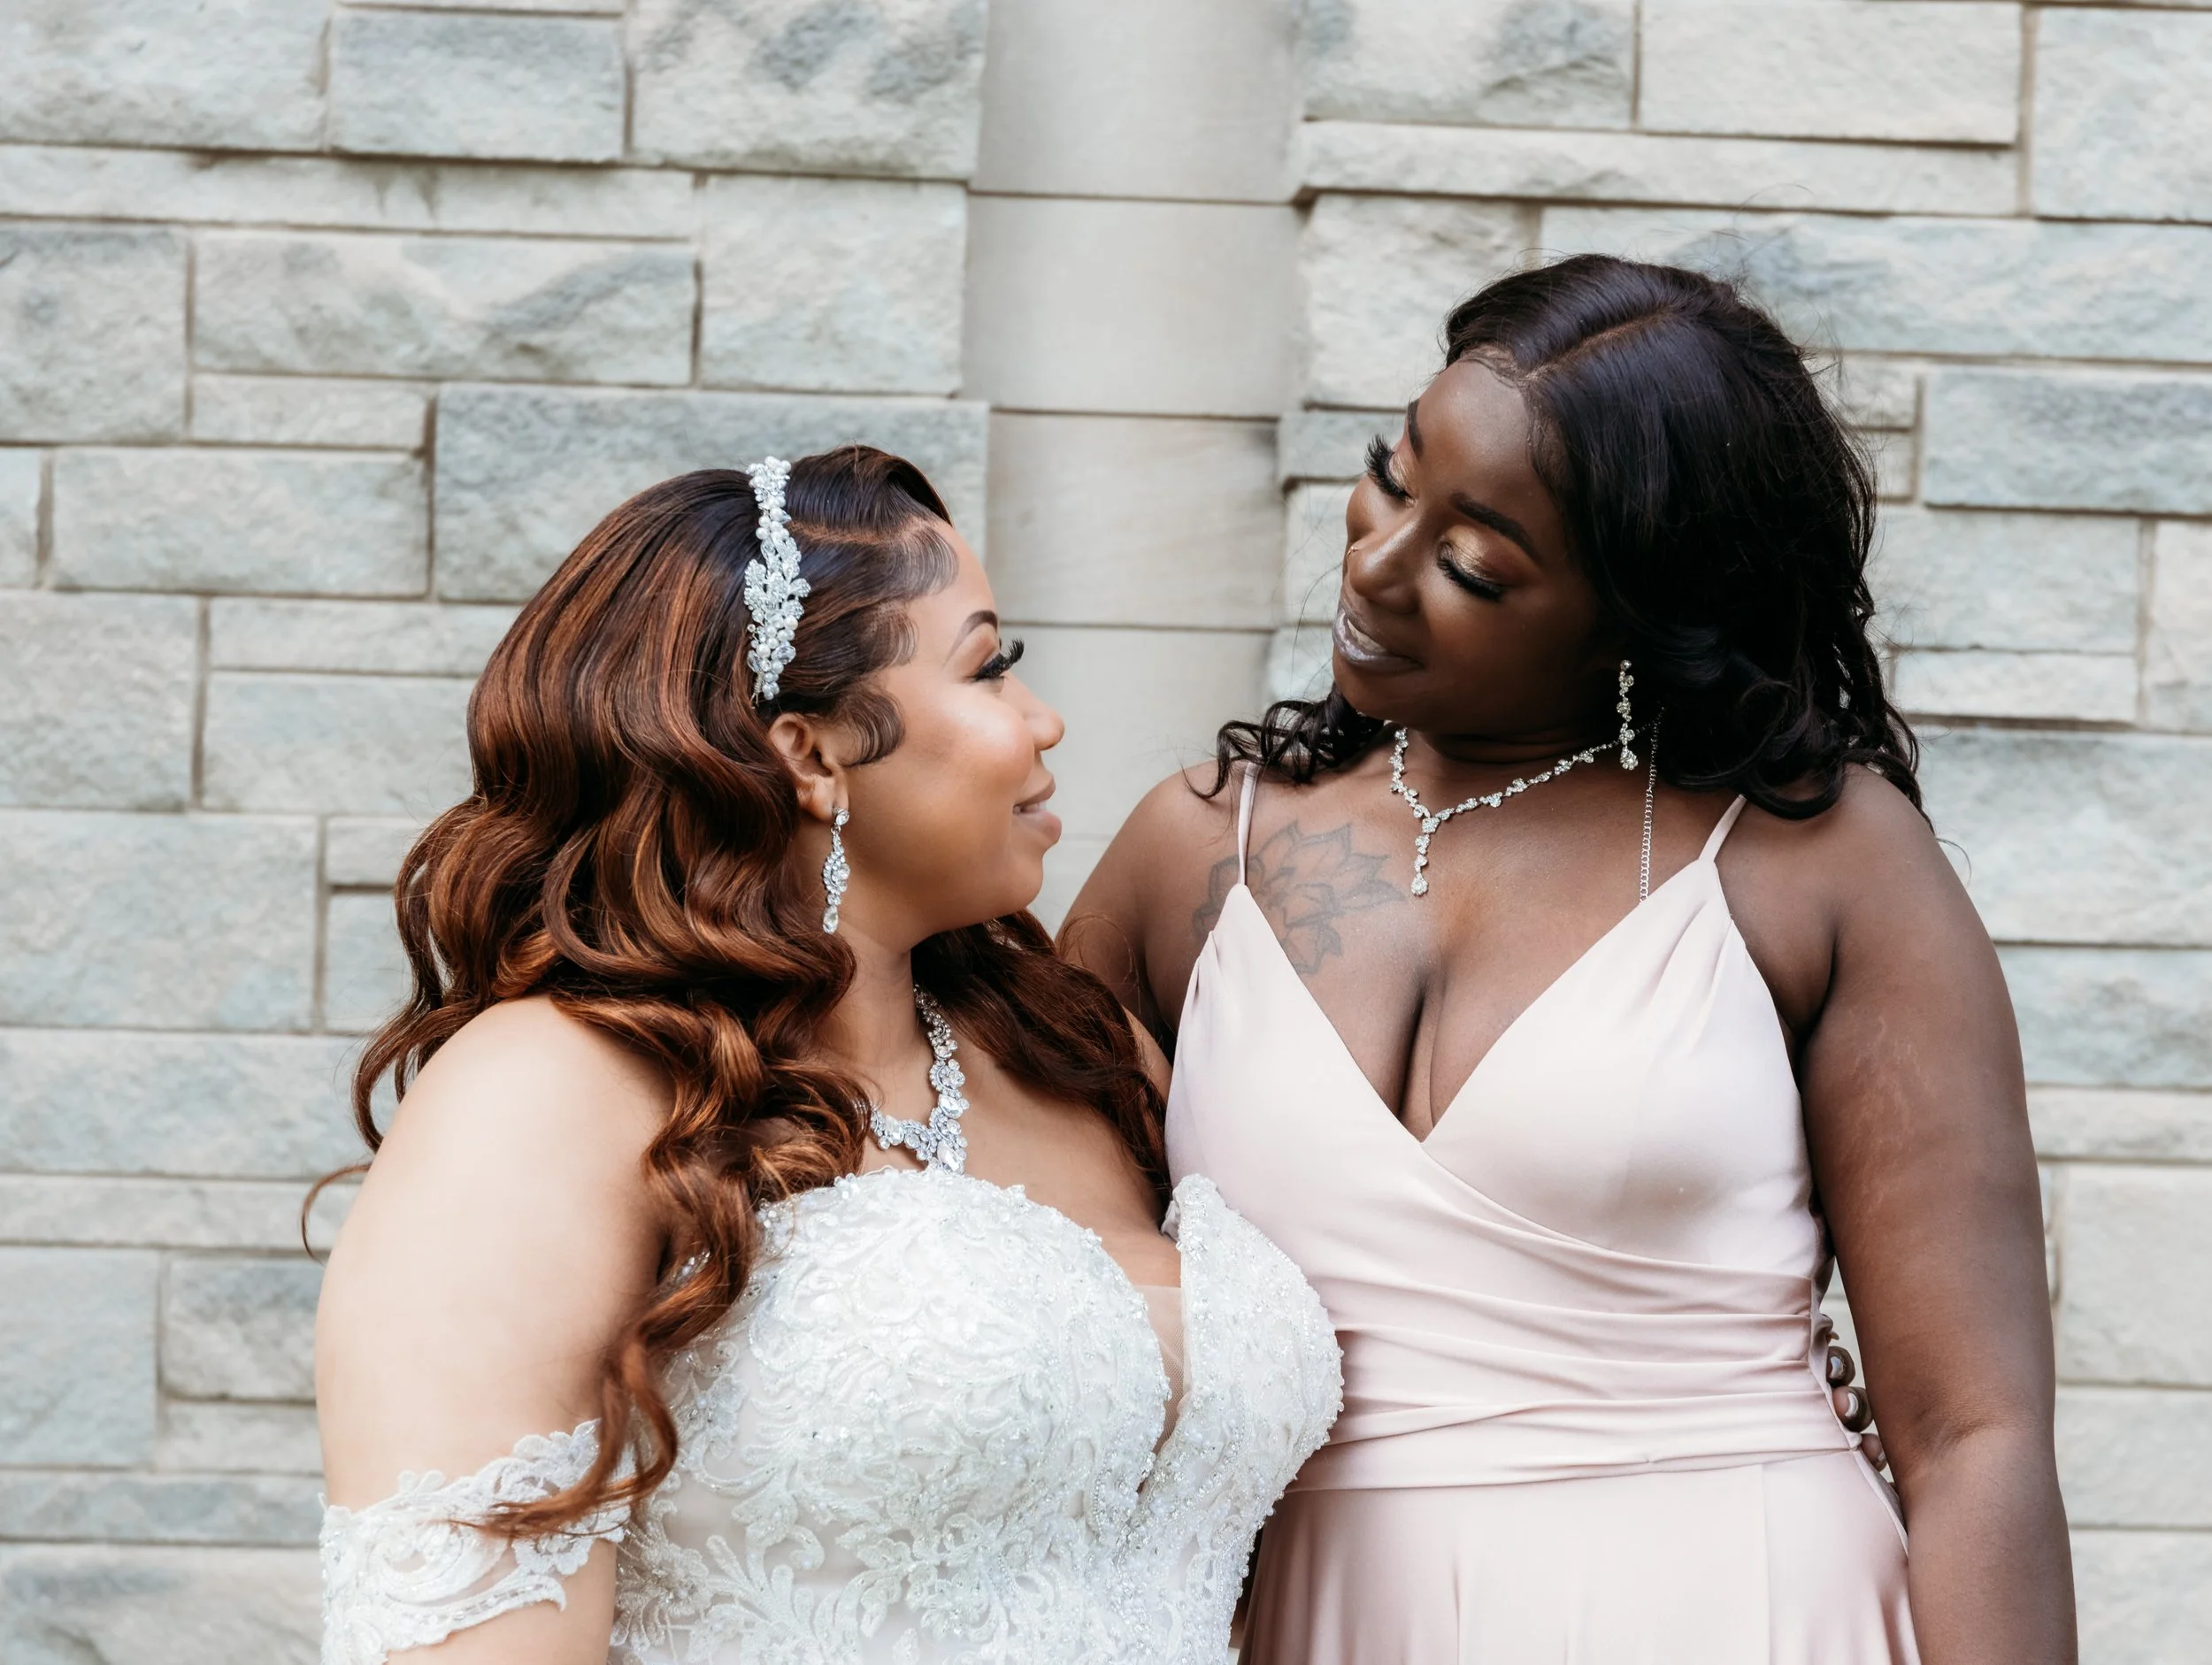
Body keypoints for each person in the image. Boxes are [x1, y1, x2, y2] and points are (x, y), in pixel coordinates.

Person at [1065, 256, 2073, 1663]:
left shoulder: (1816, 864)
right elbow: (1010, 1255)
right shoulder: (1194, 856)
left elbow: (1976, 1434)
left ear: (1638, 618)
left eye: (1473, 565)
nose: (1376, 562)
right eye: (1391, 476)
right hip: (1324, 1618)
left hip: (1743, 1607)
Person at [311, 449, 1341, 1665]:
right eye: (989, 665)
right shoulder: (546, 1096)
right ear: (810, 754)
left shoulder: (1079, 1049)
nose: (1041, 718)